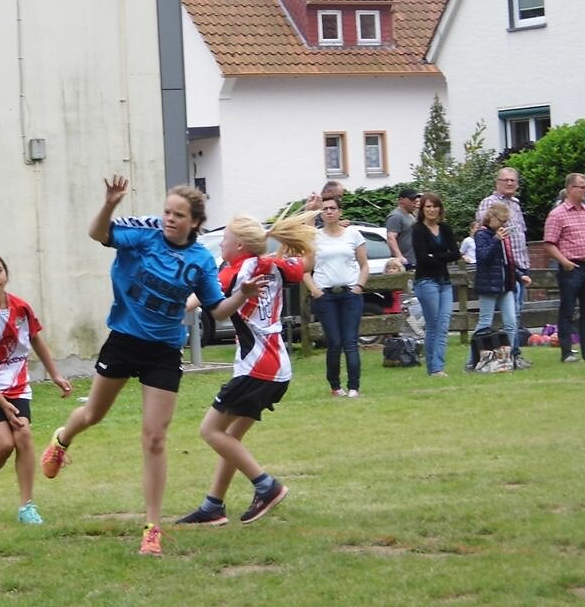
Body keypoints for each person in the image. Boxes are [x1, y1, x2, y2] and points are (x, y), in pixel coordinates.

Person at [39, 175, 267, 556]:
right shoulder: (144, 234)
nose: (169, 219)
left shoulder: (199, 261)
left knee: (156, 438)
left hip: (163, 351)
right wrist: (110, 203)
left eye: (178, 215)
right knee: (94, 413)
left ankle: (152, 528)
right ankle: (62, 439)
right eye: (167, 211)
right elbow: (98, 234)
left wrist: (241, 294)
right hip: (125, 339)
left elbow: (217, 309)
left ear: (195, 222)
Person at [177, 211, 317, 526]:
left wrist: (164, 309)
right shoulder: (277, 265)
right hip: (277, 366)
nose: (221, 243)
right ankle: (213, 506)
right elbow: (305, 262)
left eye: (224, 239)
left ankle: (267, 486)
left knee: (210, 431)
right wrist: (305, 230)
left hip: (257, 369)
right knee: (229, 439)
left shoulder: (233, 273)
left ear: (239, 244)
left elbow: (196, 300)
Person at [0, 251, 73, 525]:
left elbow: (36, 340)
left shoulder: (21, 308)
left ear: (6, 274)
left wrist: (55, 374)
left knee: (23, 438)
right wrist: (2, 403)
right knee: (4, 444)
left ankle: (26, 507)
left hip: (17, 385)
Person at [302, 195, 370, 397]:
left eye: (333, 208)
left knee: (350, 340)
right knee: (334, 341)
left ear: (340, 211)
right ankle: (335, 386)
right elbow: (305, 270)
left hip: (350, 293)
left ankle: (354, 387)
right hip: (326, 296)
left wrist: (359, 286)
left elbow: (364, 265)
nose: (329, 212)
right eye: (325, 209)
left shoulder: (353, 234)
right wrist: (315, 291)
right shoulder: (316, 237)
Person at [542, 173, 585, 363]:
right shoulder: (557, 214)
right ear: (570, 189)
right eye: (582, 186)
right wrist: (564, 262)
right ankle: (566, 352)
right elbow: (549, 243)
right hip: (571, 268)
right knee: (567, 310)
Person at [476, 167, 532, 368]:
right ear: (497, 182)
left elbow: (519, 235)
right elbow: (485, 241)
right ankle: (478, 358)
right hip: (493, 274)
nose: (509, 183)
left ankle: (512, 356)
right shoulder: (489, 204)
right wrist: (496, 239)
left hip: (514, 267)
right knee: (487, 320)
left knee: (514, 316)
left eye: (513, 181)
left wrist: (521, 270)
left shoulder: (516, 204)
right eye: (505, 180)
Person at [465, 204, 531, 371]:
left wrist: (518, 275)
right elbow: (483, 258)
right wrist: (495, 240)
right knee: (484, 322)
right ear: (492, 218)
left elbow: (505, 262)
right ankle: (472, 358)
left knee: (511, 321)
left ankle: (506, 358)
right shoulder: (482, 234)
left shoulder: (501, 235)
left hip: (505, 285)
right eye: (501, 221)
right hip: (488, 285)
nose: (504, 224)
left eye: (506, 221)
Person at [411, 193, 461, 376]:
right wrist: (442, 257)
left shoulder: (445, 228)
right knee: (433, 325)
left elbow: (456, 253)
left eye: (435, 206)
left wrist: (436, 257)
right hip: (426, 282)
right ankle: (435, 368)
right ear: (422, 210)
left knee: (443, 324)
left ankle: (437, 366)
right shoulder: (418, 230)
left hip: (444, 282)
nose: (432, 210)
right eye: (428, 207)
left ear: (440, 208)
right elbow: (422, 258)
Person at [385, 188, 420, 269]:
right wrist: (400, 257)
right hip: (405, 264)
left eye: (416, 199)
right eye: (412, 199)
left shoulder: (411, 215)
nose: (415, 201)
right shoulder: (395, 216)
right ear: (401, 200)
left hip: (415, 261)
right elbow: (391, 238)